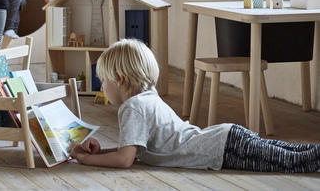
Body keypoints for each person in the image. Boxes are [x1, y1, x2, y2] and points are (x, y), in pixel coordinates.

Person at [70, 38, 320, 173]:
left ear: (119, 79)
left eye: (103, 80)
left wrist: (85, 160)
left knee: (296, 163)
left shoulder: (132, 108)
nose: (102, 86)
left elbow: (125, 160)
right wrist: (99, 153)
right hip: (227, 139)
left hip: (224, 149)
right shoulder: (148, 97)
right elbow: (133, 150)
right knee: (298, 153)